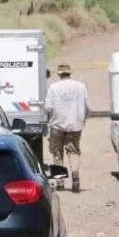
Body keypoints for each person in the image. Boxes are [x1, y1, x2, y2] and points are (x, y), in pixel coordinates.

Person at [44, 64, 91, 192]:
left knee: (57, 152)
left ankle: (60, 182)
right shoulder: (80, 87)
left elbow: (48, 107)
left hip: (57, 125)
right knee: (74, 151)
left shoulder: (53, 87)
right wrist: (82, 119)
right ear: (70, 73)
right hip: (75, 125)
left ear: (59, 74)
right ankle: (75, 174)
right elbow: (87, 108)